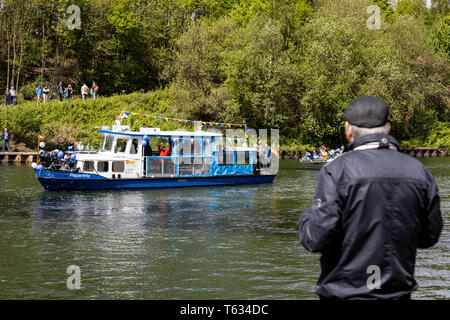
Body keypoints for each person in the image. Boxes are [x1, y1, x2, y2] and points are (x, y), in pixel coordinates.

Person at [298, 95, 442, 300]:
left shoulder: (336, 171)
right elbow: (429, 237)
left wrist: (306, 217)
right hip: (398, 294)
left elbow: (316, 238)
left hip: (345, 294)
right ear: (388, 128)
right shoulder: (419, 172)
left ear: (348, 130)